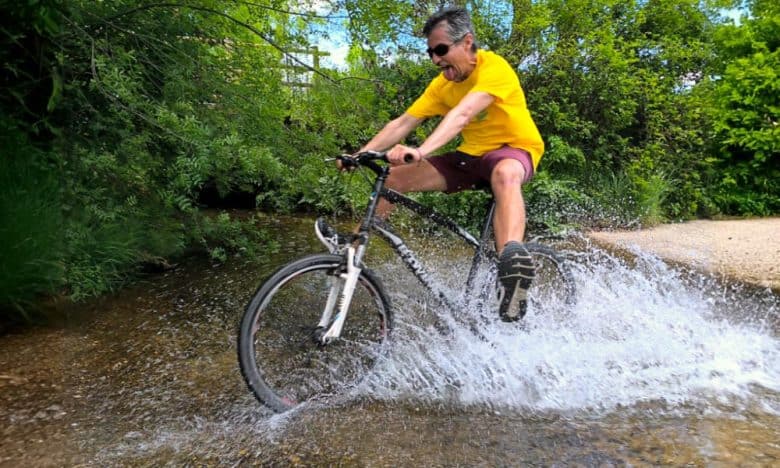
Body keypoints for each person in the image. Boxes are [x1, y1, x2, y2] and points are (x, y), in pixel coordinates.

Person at [324, 7, 544, 321]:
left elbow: (463, 114)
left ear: (467, 43)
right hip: (470, 156)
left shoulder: (494, 68)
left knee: (505, 172)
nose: (435, 59)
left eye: (441, 50)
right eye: (430, 53)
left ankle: (512, 269)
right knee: (393, 178)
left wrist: (422, 149)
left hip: (512, 150)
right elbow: (403, 123)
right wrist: (360, 154)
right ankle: (353, 252)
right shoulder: (442, 85)